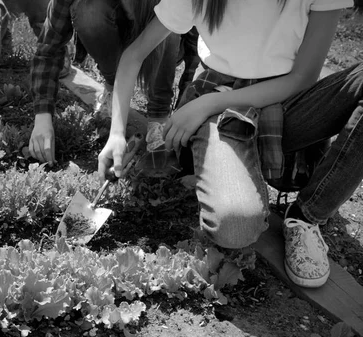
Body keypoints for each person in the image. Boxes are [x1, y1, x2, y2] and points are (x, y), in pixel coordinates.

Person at [98, 0, 361, 288]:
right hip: (223, 104)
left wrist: (208, 103)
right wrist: (116, 134)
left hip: (288, 101)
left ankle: (306, 216)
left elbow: (304, 76)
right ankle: (228, 163)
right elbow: (134, 55)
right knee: (235, 228)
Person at [27, 0, 182, 165]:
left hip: (160, 43)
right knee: (88, 11)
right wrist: (43, 118)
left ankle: (159, 116)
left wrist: (187, 105)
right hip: (118, 41)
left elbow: (198, 50)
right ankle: (113, 89)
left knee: (170, 16)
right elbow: (48, 49)